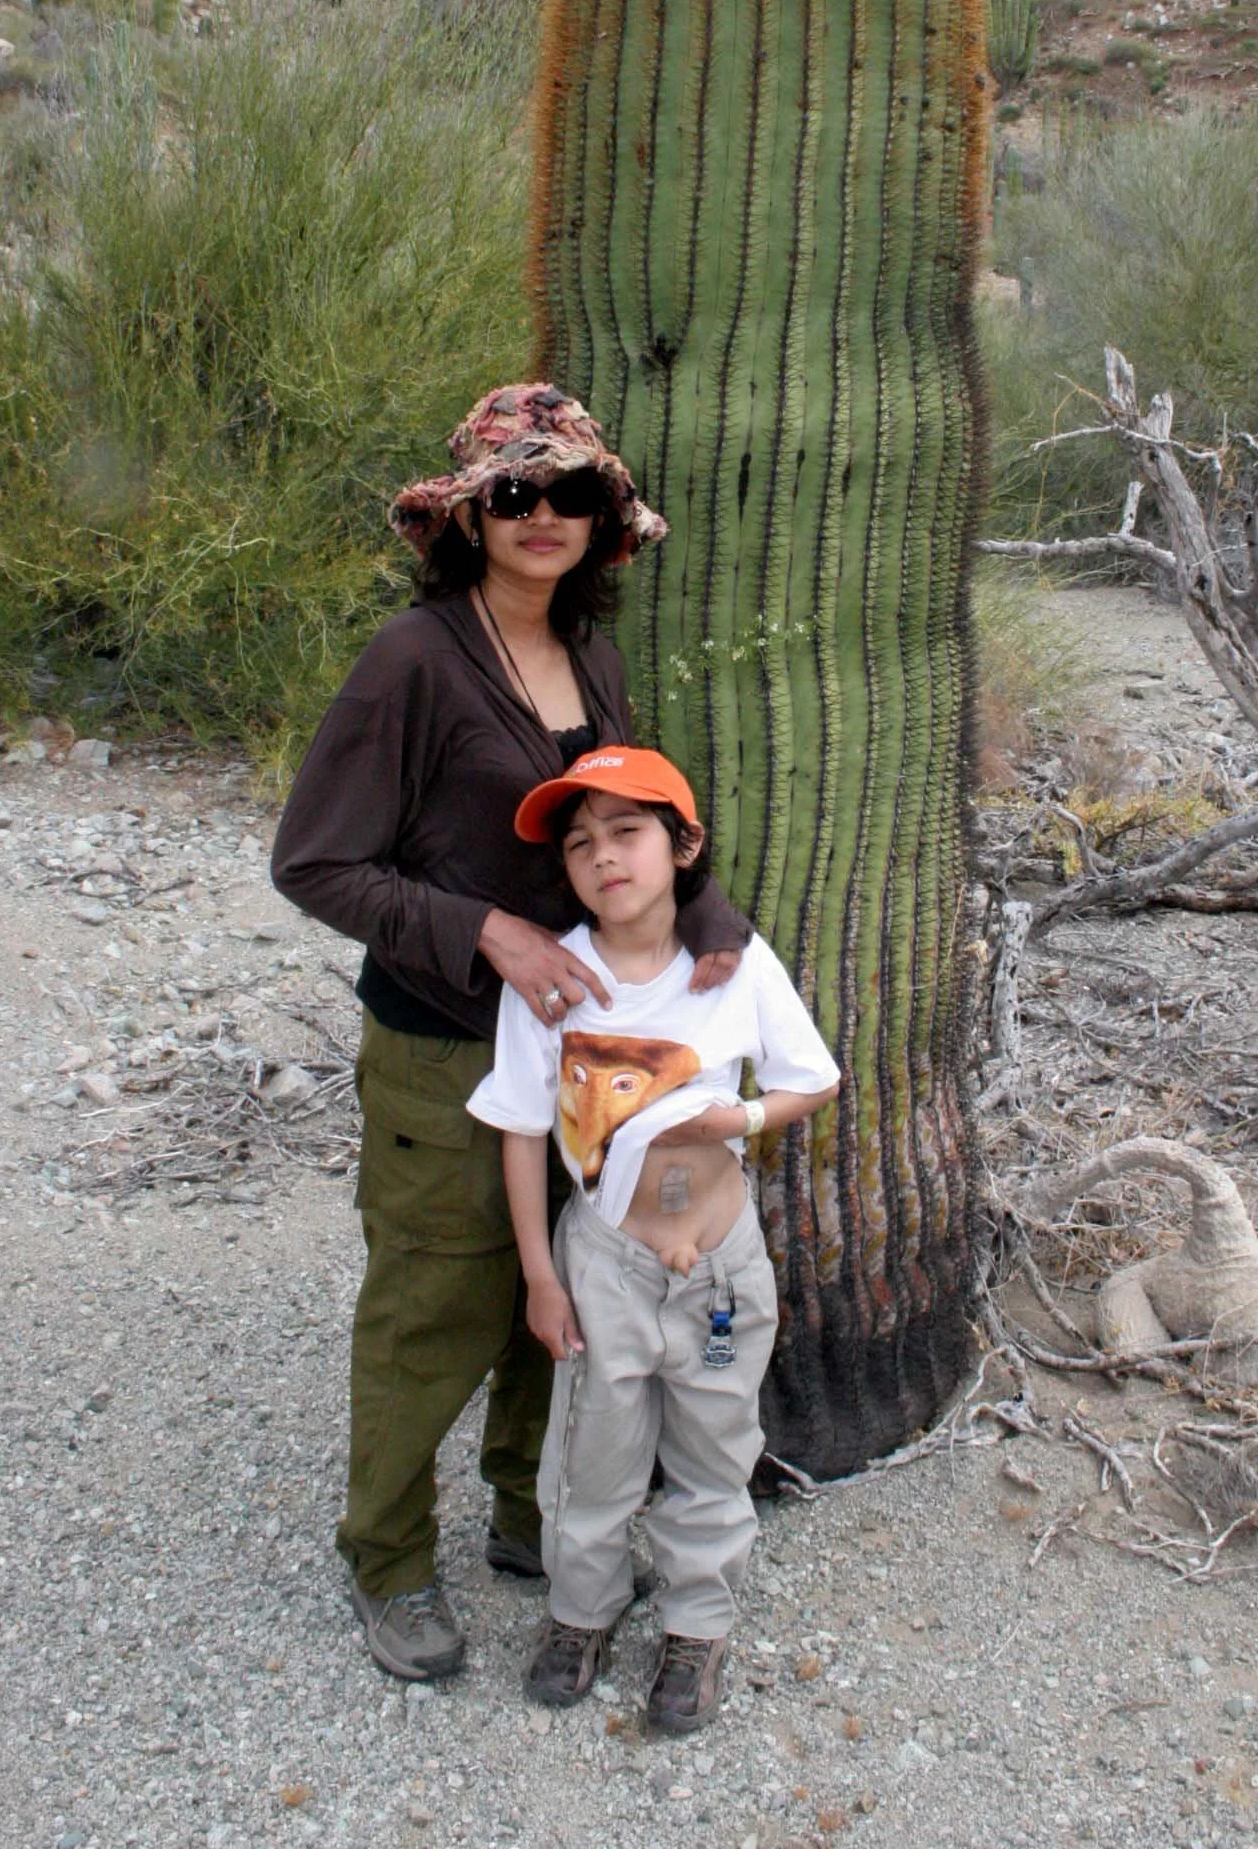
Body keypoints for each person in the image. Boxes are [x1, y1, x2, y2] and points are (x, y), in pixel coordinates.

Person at [269, 384, 748, 1686]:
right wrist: (486, 931)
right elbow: (314, 862)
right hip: (443, 1043)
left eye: (572, 493)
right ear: (470, 516)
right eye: (516, 491)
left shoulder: (591, 658)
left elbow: (623, 813)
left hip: (584, 1047)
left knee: (574, 1286)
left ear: (602, 521)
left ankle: (532, 1512)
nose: (545, 514)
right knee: (434, 1303)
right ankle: (387, 1556)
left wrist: (705, 914)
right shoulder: (414, 660)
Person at [467, 745, 839, 1734]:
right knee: (594, 1444)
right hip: (607, 1262)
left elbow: (811, 1077)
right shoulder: (553, 981)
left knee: (715, 1440)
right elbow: (518, 1126)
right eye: (579, 842)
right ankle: (580, 1610)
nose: (603, 856)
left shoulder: (734, 969)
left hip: (719, 1268)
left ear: (683, 846)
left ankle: (695, 1623)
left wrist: (739, 1121)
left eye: (626, 831)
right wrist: (541, 1276)